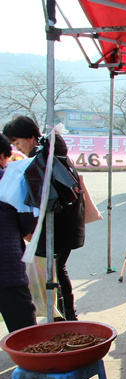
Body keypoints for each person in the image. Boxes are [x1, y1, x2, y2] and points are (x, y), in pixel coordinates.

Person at [3, 115, 85, 321]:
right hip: (64, 224)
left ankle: (65, 315)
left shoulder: (45, 158)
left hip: (58, 225)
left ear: (30, 137)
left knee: (56, 269)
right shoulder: (49, 154)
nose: (17, 148)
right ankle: (62, 313)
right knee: (58, 268)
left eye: (17, 142)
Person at [0, 133, 37, 331]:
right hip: (6, 266)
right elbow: (26, 219)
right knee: (24, 331)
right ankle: (29, 360)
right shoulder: (8, 179)